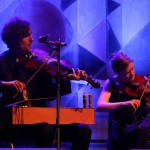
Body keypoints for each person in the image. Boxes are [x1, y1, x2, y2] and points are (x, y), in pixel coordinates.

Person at [0, 17, 92, 149]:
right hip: (14, 123)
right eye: (27, 36)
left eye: (31, 35)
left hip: (40, 118)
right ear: (14, 39)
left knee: (83, 130)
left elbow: (49, 93)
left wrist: (65, 79)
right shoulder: (3, 61)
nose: (32, 39)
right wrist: (5, 83)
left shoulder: (37, 62)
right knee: (45, 129)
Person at [97, 52, 150, 150]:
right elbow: (100, 106)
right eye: (127, 73)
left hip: (139, 134)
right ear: (117, 73)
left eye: (133, 69)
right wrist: (124, 104)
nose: (132, 74)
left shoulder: (141, 82)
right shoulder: (111, 83)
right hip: (119, 134)